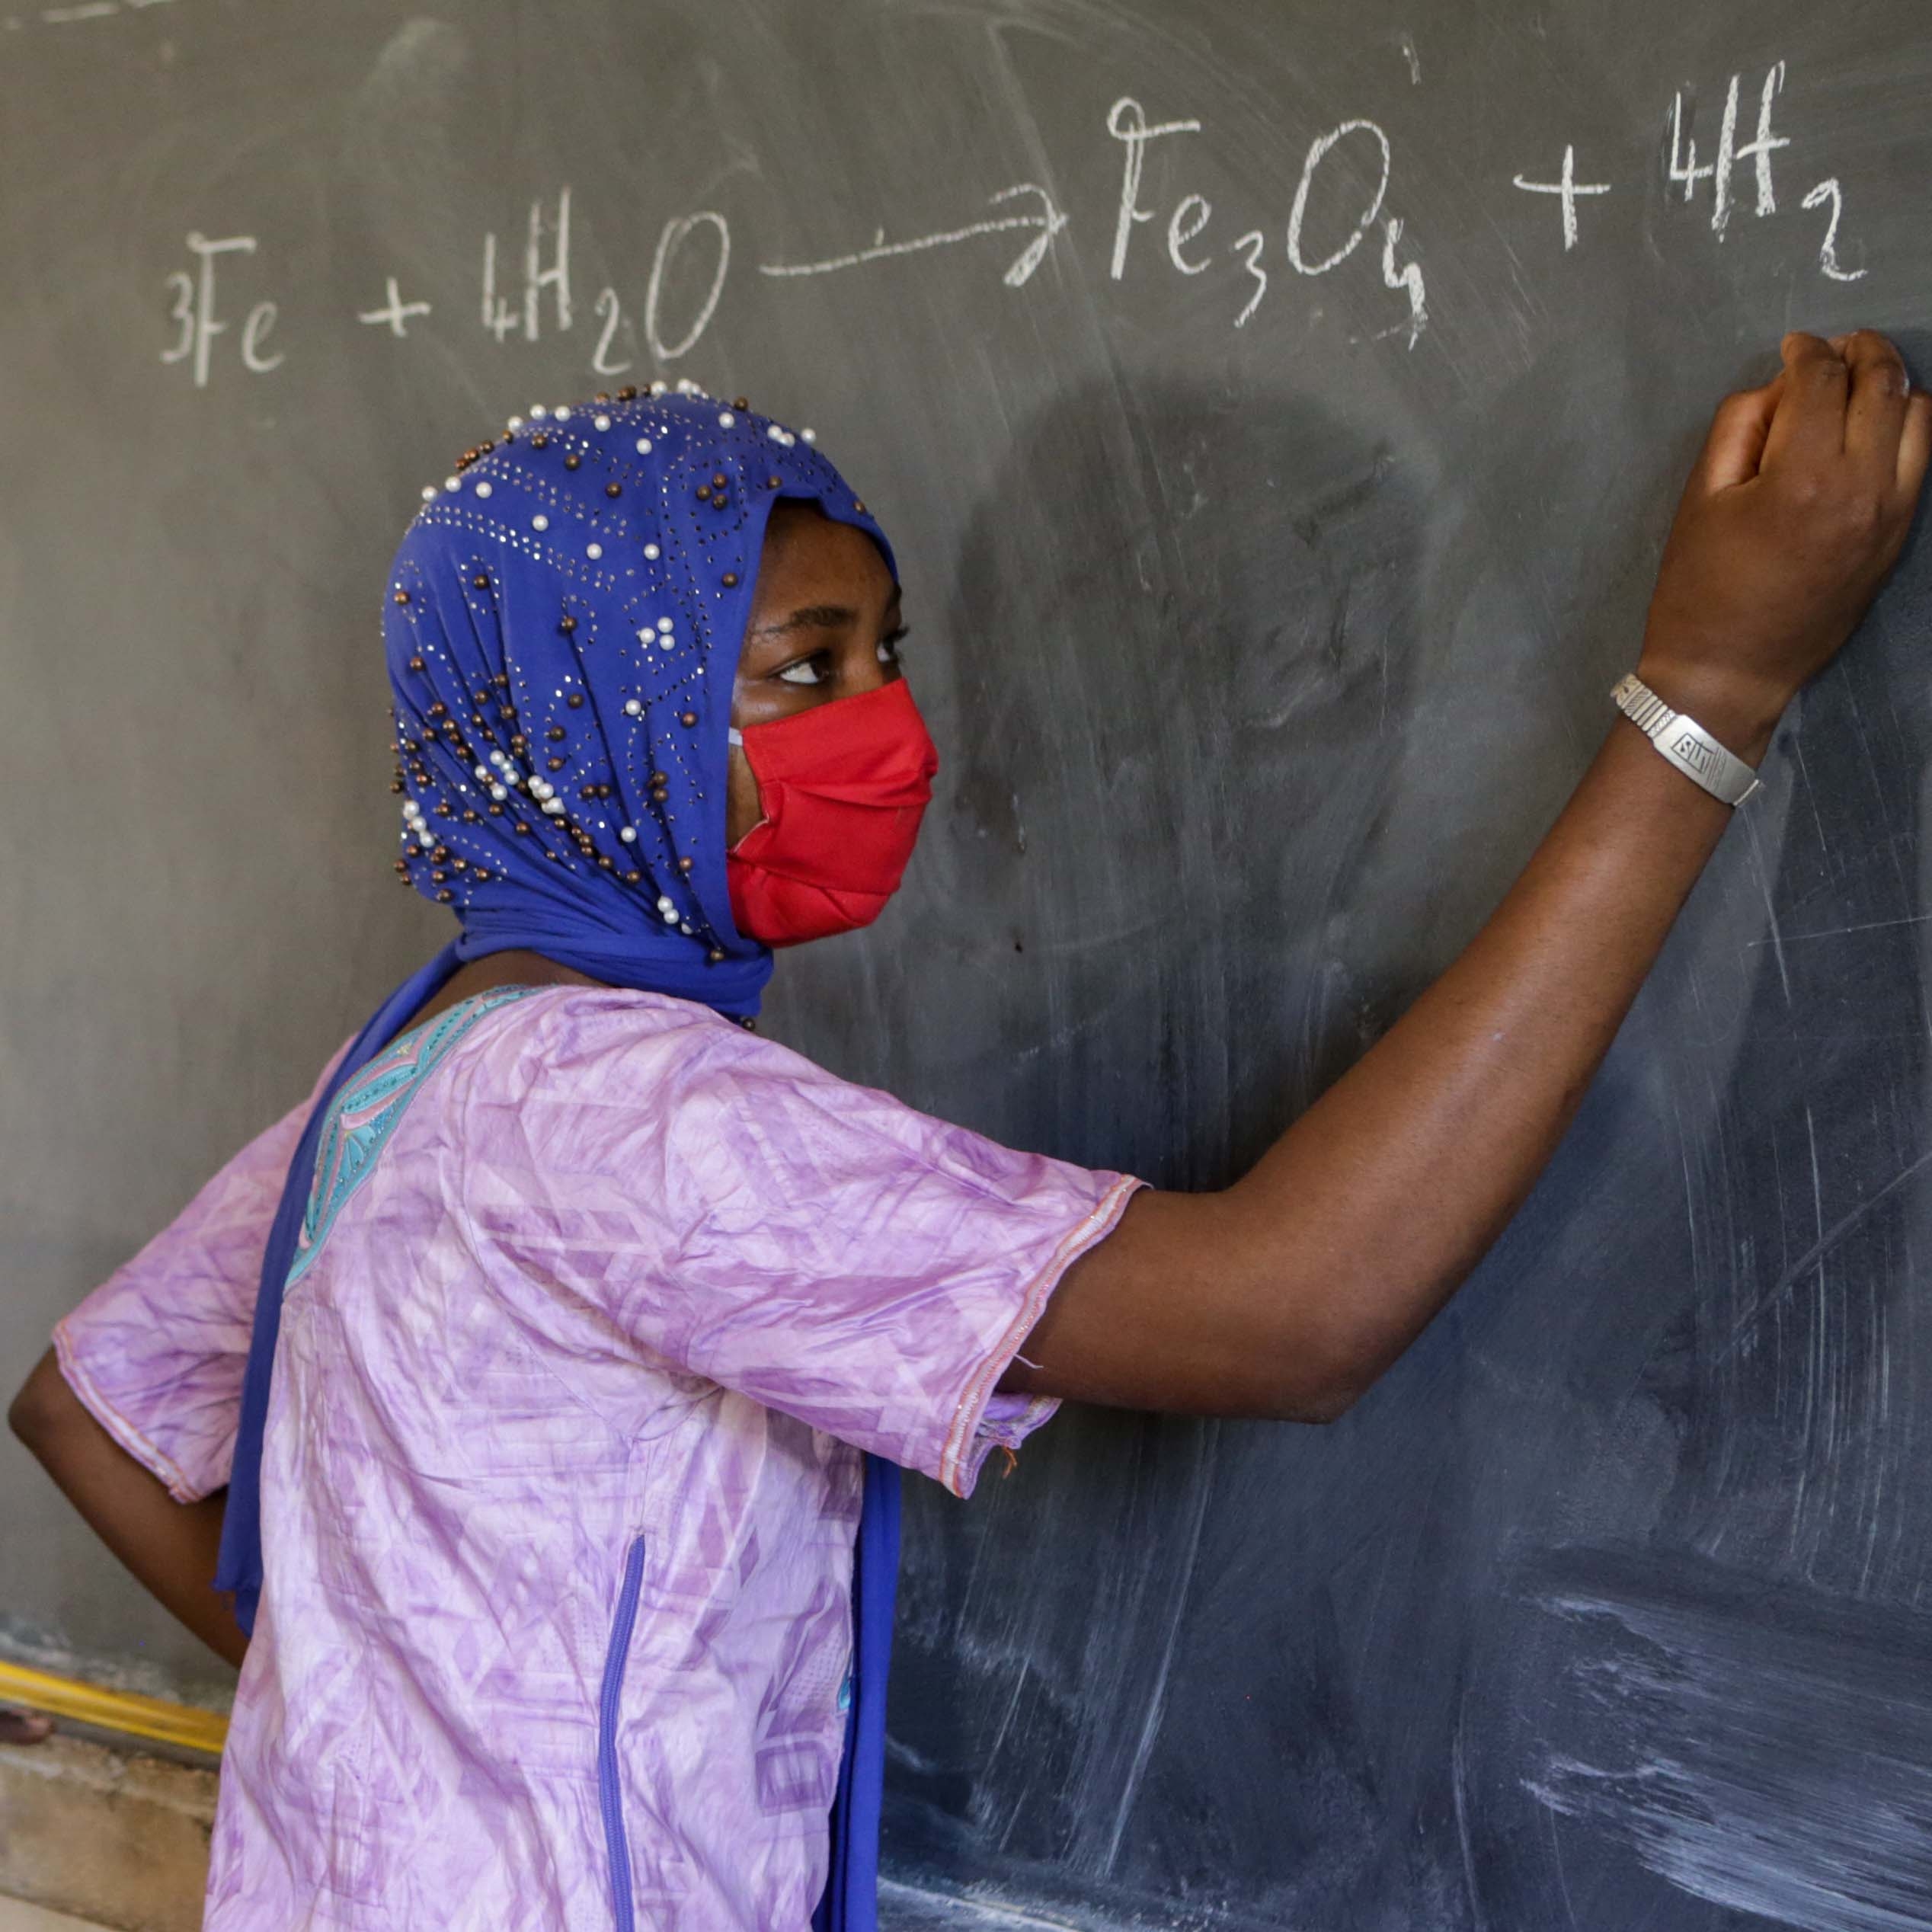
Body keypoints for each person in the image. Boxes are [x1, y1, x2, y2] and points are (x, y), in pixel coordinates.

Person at [10, 331, 1925, 1930]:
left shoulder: (427, 1057)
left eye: (882, 652)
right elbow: (1291, 1308)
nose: (889, 729)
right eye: (796, 674)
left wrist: (400, 1718)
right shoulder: (626, 1108)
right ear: (601, 718)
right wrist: (1705, 689)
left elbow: (87, 1401)